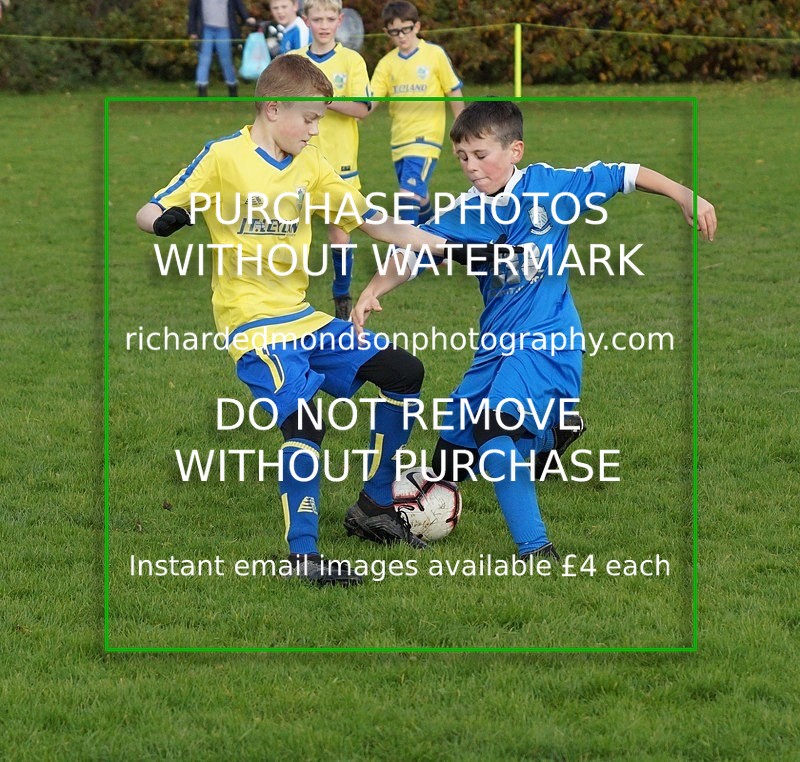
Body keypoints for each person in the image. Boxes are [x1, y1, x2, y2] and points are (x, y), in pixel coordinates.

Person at [135, 56, 504, 586]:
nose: (316, 129)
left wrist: (454, 246)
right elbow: (150, 208)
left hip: (303, 319)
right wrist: (166, 221)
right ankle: (303, 559)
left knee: (404, 372)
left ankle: (375, 505)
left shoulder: (310, 164)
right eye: (309, 119)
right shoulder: (223, 157)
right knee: (304, 420)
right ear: (272, 107)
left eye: (321, 120)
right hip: (253, 327)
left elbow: (374, 222)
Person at [352, 100, 717, 561]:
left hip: (548, 340)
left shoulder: (550, 189)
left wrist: (687, 194)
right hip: (494, 347)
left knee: (493, 429)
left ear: (515, 150)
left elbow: (624, 173)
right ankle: (546, 439)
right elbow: (417, 251)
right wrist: (372, 289)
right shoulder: (465, 211)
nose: (471, 166)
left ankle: (535, 549)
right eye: (462, 157)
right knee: (450, 461)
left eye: (481, 155)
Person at [289, 0, 371, 319]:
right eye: (317, 19)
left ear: (340, 21)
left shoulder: (352, 61)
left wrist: (324, 100)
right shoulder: (293, 61)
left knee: (340, 232)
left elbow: (362, 109)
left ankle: (341, 297)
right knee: (290, 229)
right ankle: (289, 297)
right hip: (297, 160)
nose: (323, 25)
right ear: (306, 21)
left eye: (329, 19)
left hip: (339, 162)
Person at [368, 0, 464, 226]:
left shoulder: (434, 54)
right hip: (399, 140)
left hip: (426, 138)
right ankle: (433, 243)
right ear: (386, 32)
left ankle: (405, 254)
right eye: (394, 32)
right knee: (418, 196)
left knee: (407, 196)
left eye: (406, 29)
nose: (401, 36)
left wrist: (462, 133)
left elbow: (453, 91)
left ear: (417, 27)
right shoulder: (386, 64)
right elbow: (370, 102)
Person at [188, 0, 256, 97]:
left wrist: (247, 18)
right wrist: (192, 31)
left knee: (226, 61)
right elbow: (193, 11)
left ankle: (232, 88)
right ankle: (201, 90)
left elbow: (239, 5)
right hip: (205, 30)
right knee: (204, 60)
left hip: (224, 30)